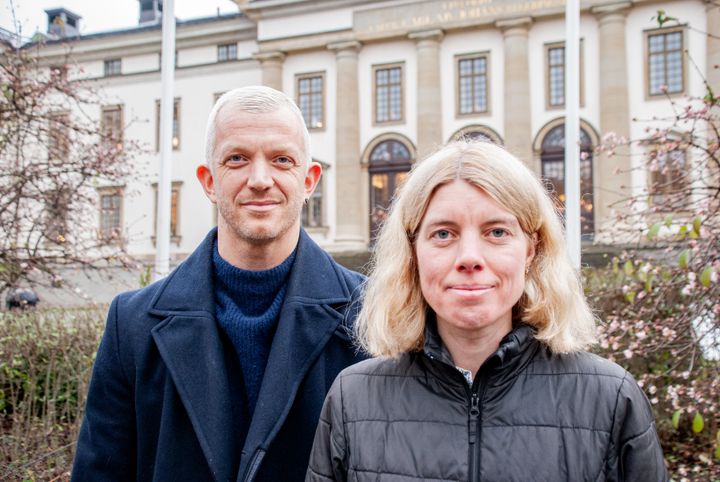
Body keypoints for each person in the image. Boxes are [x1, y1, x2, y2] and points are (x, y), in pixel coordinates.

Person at [306, 141, 668, 481]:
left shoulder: (609, 399)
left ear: (531, 249)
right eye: (443, 234)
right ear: (412, 252)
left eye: (496, 232)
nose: (469, 258)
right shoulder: (352, 399)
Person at [72, 86, 366, 481]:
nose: (260, 179)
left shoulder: (371, 316)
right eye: (237, 159)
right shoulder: (132, 325)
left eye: (281, 159)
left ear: (309, 179)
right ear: (209, 181)